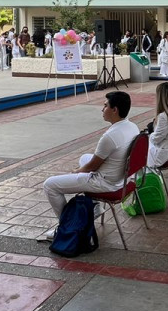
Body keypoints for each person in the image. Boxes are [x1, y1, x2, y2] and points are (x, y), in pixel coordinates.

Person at [42, 92, 140, 222]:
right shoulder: (133, 127)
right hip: (122, 177)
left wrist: (76, 172)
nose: (102, 109)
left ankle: (65, 225)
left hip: (107, 183)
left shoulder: (110, 137)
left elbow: (92, 166)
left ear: (115, 110)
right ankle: (96, 208)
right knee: (84, 157)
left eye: (105, 106)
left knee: (49, 185)